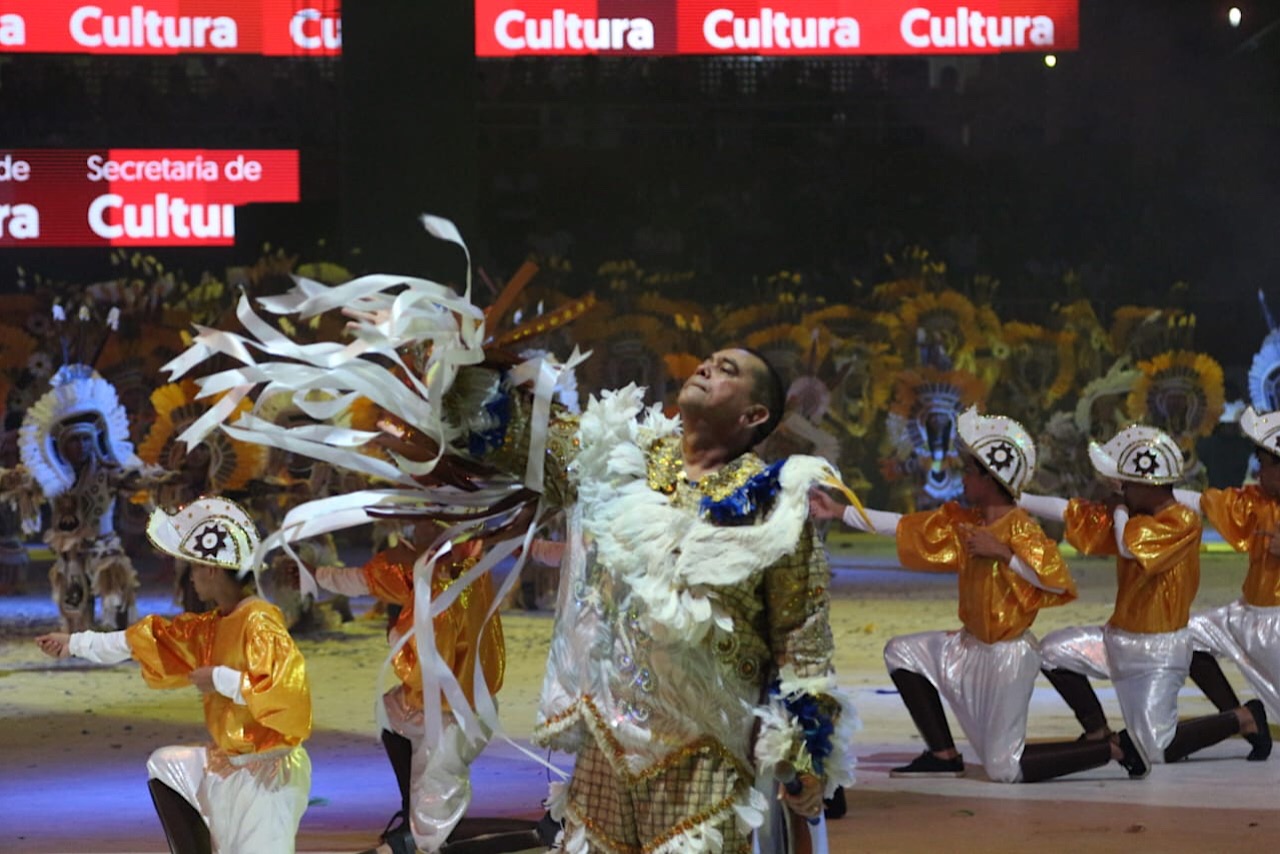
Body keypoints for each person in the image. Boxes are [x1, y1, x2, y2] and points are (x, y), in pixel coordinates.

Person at [162, 240, 855, 853]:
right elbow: (508, 433)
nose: (709, 365)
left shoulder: (770, 508)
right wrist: (457, 366)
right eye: (710, 358)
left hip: (705, 750)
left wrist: (806, 750)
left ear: (754, 414)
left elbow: (803, 637)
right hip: (605, 747)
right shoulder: (613, 456)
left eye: (729, 369)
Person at [812, 406, 1145, 782]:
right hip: (967, 647)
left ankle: (1114, 748)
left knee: (1005, 770)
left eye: (971, 471)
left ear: (991, 478)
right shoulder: (967, 522)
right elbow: (905, 527)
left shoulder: (1021, 530)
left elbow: (1057, 581)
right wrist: (839, 512)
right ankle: (942, 753)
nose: (964, 477)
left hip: (1006, 657)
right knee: (901, 652)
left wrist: (1004, 555)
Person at [35, 497, 313, 853]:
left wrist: (222, 680)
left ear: (211, 569)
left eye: (192, 568)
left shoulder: (259, 621)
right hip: (229, 764)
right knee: (166, 765)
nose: (190, 578)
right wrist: (74, 643)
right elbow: (151, 639)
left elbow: (287, 695)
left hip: (268, 772)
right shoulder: (214, 625)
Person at [1020, 424, 1266, 771]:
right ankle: (1097, 732)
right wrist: (1020, 500)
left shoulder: (1182, 521)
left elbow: (1128, 546)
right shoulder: (1137, 516)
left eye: (1125, 483)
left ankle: (1241, 718)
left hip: (1158, 654)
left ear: (1147, 484)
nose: (1119, 490)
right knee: (1050, 652)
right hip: (1116, 639)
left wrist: (1120, 508)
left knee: (1155, 750)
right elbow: (1070, 511)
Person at [315, 521, 515, 854]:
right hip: (427, 703)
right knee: (389, 712)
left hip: (458, 711)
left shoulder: (455, 582)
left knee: (435, 800)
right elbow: (367, 580)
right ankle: (412, 815)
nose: (411, 532)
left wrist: (395, 635)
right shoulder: (431, 571)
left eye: (421, 527)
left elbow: (426, 657)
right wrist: (314, 574)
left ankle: (424, 837)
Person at [5, 364, 169, 631]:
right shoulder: (50, 476)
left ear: (94, 441)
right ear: (62, 445)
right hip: (70, 556)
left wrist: (160, 478)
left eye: (85, 440)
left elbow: (141, 482)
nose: (80, 446)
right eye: (74, 441)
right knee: (75, 617)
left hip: (106, 551)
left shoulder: (110, 471)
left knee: (116, 608)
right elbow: (16, 484)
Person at [1165, 405, 1276, 761]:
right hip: (1246, 615)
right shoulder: (1256, 501)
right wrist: (1146, 490)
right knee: (1187, 635)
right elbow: (1200, 501)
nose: (1257, 469)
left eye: (1264, 461)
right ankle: (1241, 718)